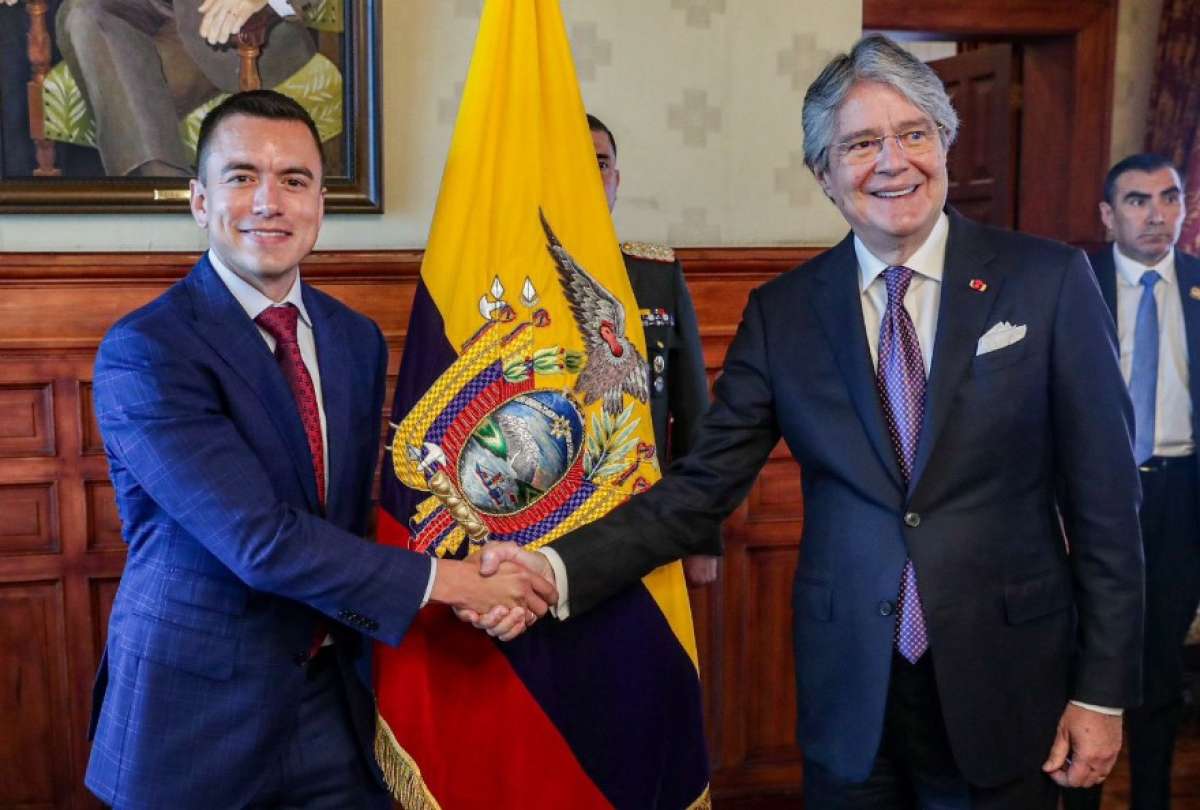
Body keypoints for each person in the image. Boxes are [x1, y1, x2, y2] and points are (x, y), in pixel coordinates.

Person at [477, 34, 1145, 809]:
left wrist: (1102, 693)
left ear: (945, 145)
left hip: (1009, 680)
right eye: (861, 143)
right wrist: (553, 568)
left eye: (914, 133)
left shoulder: (1048, 281)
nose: (893, 162)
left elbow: (1106, 507)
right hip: (852, 691)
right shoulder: (782, 315)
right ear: (824, 175)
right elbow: (700, 489)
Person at [84, 90, 554, 809]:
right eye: (241, 177)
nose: (269, 201)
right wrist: (458, 583)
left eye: (294, 180)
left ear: (319, 205)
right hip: (194, 715)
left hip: (336, 701)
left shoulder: (353, 340)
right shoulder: (147, 352)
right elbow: (260, 540)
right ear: (199, 202)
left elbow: (355, 517)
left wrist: (495, 574)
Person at [1065, 154, 1200, 810]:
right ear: (1108, 215)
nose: (1157, 214)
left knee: (1159, 665)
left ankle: (1152, 799)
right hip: (1092, 498)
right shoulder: (1071, 283)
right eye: (1139, 200)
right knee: (1087, 657)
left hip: (1180, 497)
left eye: (1169, 198)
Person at [587, 112, 720, 586]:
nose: (590, 174)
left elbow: (692, 413)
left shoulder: (656, 274)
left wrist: (701, 537)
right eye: (575, 163)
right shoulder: (526, 283)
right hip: (551, 526)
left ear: (616, 180)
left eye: (600, 163)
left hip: (646, 521)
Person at [55, 0, 315, 176]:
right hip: (153, 10)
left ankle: (157, 191)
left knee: (121, 83)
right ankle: (159, 191)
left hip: (242, 28)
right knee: (82, 11)